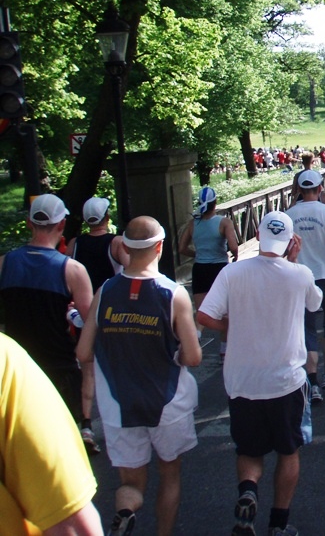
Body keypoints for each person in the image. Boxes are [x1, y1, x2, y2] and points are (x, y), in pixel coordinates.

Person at [197, 211, 322, 536]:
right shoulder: (300, 274)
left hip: (242, 380)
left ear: (256, 232)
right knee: (289, 450)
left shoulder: (232, 273)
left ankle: (248, 491)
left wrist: (232, 326)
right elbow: (314, 304)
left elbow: (205, 315)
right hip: (286, 381)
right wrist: (294, 261)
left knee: (249, 450)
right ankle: (279, 524)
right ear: (292, 240)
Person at [76, 216, 202, 536]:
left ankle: (125, 511)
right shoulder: (173, 294)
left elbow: (83, 353)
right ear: (159, 247)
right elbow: (193, 357)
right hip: (167, 401)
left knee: (131, 483)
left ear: (126, 247)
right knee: (169, 473)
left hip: (119, 404)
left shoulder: (105, 291)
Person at [0, 194, 94, 423]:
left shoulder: (4, 263)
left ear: (29, 223)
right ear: (62, 224)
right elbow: (91, 322)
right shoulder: (73, 270)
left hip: (17, 368)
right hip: (60, 367)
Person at [1, 332, 104, 536]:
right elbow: (72, 526)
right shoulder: (4, 359)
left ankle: (85, 426)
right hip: (56, 366)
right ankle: (85, 425)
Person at [66, 195, 130, 455]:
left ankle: (86, 425)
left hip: (83, 314)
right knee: (119, 367)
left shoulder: (75, 244)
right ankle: (125, 423)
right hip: (111, 313)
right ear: (106, 217)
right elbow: (130, 270)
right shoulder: (115, 243)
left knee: (88, 371)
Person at [286, 169, 325, 404]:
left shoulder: (289, 215)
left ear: (300, 189)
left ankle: (312, 384)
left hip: (301, 276)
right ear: (321, 188)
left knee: (308, 329)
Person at [178, 187, 239, 360]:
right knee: (227, 312)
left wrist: (197, 254)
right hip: (219, 268)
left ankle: (194, 338)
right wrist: (235, 255)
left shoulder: (193, 224)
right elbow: (234, 246)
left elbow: (182, 248)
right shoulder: (224, 222)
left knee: (202, 311)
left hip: (200, 270)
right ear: (215, 202)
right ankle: (224, 350)